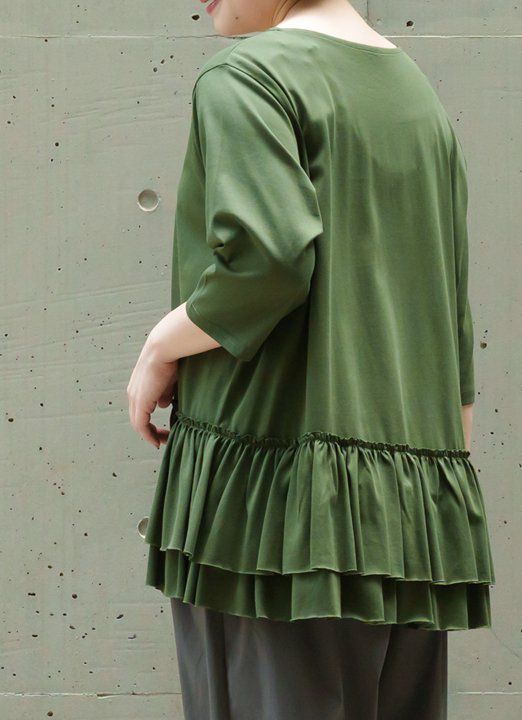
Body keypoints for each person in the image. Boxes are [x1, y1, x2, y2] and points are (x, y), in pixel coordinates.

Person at [126, 0, 496, 718]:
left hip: (275, 505)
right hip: (409, 503)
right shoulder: (415, 94)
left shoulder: (248, 78)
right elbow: (450, 309)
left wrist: (160, 346)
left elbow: (266, 261)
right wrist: (437, 494)